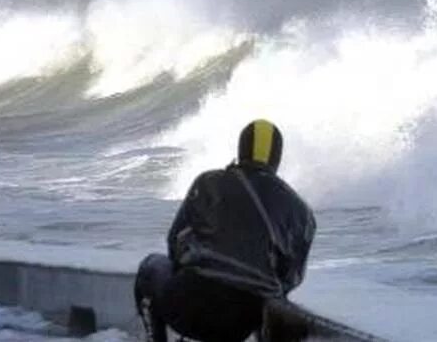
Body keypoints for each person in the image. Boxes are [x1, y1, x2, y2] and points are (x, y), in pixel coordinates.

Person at [135, 119, 316, 342]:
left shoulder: (208, 182)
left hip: (186, 309)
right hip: (241, 324)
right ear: (277, 157)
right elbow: (291, 278)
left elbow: (174, 242)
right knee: (273, 299)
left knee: (150, 267)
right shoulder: (301, 212)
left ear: (241, 150)